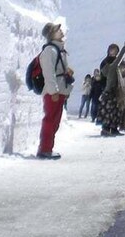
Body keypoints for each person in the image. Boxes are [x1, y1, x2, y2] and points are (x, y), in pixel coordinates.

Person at [37, 22, 74, 159]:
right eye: (58, 30)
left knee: (54, 121)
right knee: (50, 120)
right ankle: (44, 149)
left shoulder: (58, 50)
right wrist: (53, 91)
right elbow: (49, 73)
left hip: (59, 91)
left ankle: (48, 148)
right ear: (52, 34)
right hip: (54, 92)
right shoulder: (50, 51)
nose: (61, 31)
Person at [99, 44, 125, 136]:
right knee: (108, 110)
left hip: (116, 89)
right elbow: (104, 75)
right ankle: (105, 128)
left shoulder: (117, 64)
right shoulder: (106, 62)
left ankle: (114, 128)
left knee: (116, 110)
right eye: (112, 50)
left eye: (115, 50)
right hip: (108, 89)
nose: (113, 52)